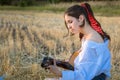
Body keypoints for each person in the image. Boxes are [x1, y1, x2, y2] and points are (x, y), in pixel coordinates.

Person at [48, 3, 111, 80]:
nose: (68, 27)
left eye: (70, 22)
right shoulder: (91, 34)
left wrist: (59, 73)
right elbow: (88, 61)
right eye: (67, 23)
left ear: (81, 19)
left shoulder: (90, 43)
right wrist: (64, 63)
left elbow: (83, 76)